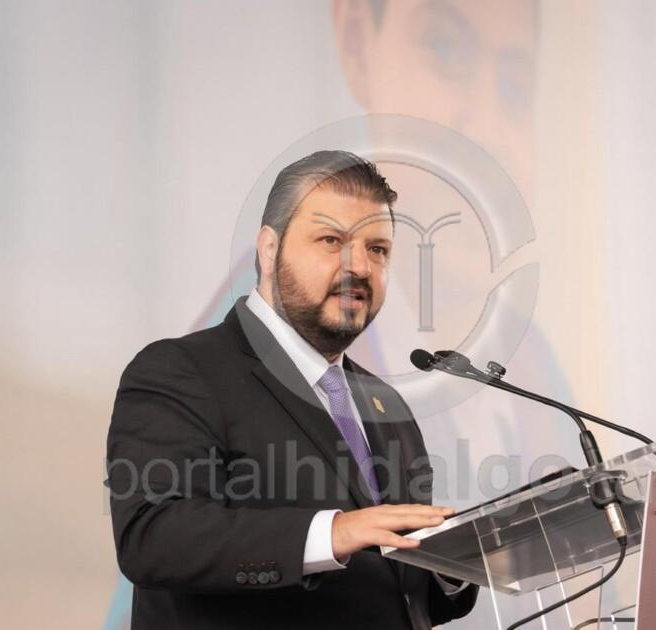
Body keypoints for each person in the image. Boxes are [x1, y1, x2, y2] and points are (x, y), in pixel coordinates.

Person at [106, 150, 478, 629]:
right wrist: (332, 532)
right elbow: (153, 537)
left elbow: (400, 590)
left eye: (378, 250)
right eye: (331, 240)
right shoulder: (181, 370)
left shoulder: (386, 405)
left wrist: (454, 563)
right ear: (269, 249)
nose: (361, 266)